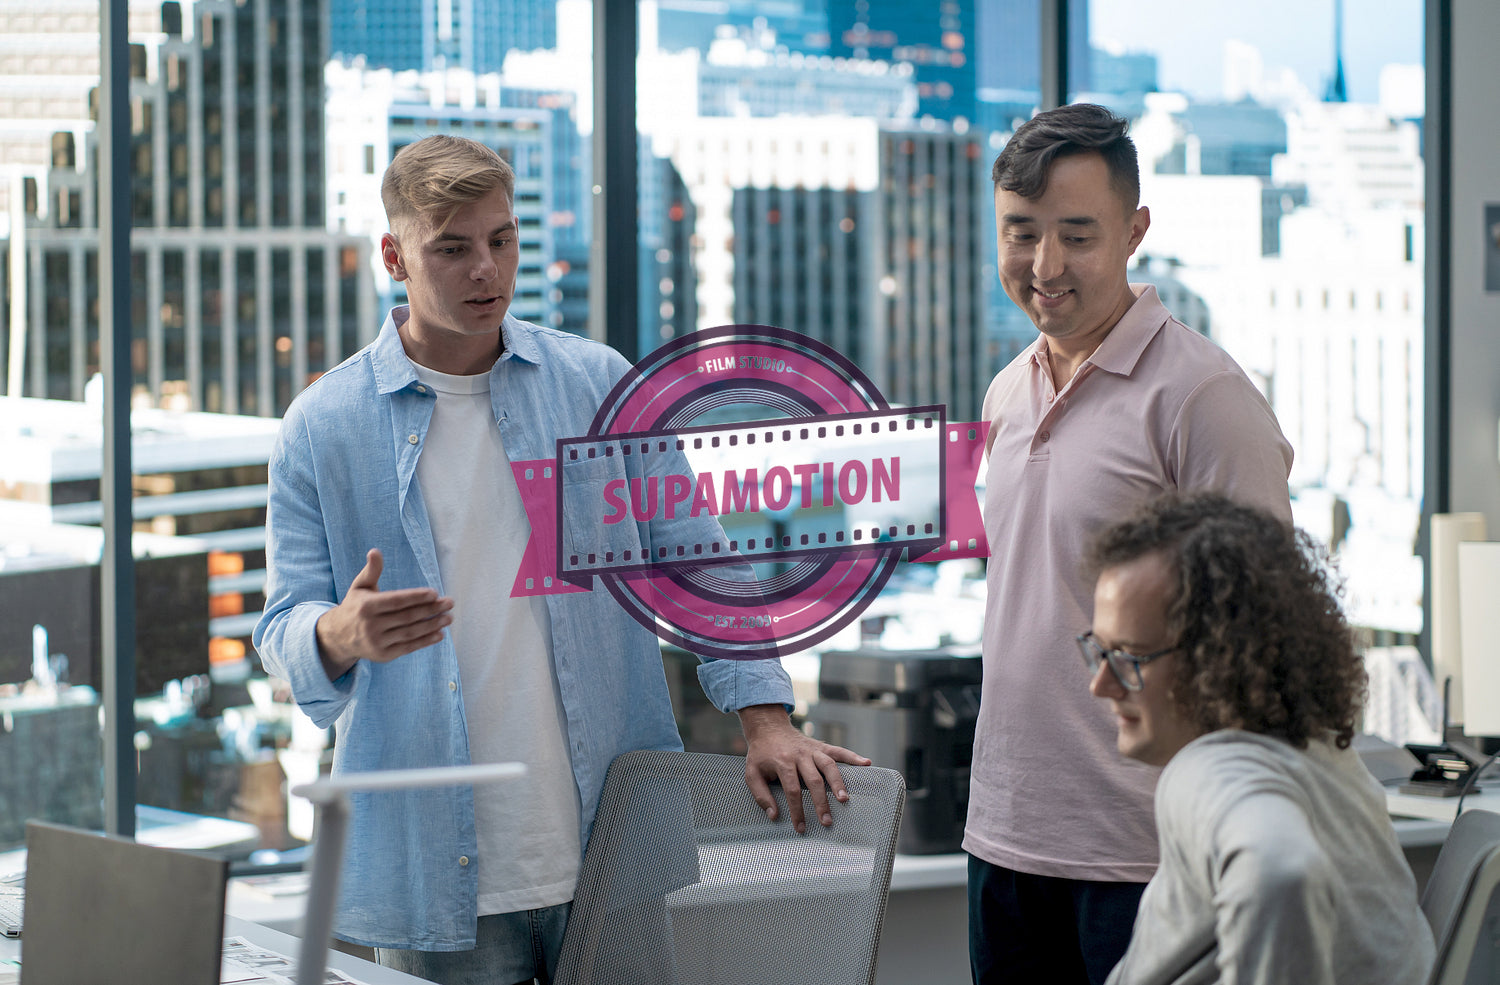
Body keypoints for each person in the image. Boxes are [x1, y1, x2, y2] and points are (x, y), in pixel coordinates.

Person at [253, 134, 868, 985]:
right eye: (454, 248)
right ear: (394, 256)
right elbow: (282, 624)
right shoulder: (323, 426)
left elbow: (698, 558)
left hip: (607, 850)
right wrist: (337, 635)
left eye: (501, 241)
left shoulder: (595, 385)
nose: (485, 271)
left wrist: (763, 714)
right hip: (433, 875)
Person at [965, 102, 1296, 984]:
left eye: (1076, 234)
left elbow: (1270, 632)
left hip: (1146, 855)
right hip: (1004, 838)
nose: (1045, 267)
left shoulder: (1202, 397)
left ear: (1134, 230)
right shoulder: (1006, 390)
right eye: (1021, 233)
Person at [1082, 493, 1435, 984]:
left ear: (1217, 657)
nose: (1101, 684)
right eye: (1099, 651)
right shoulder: (1324, 756)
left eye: (1130, 657)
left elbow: (1280, 870)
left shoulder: (1212, 769)